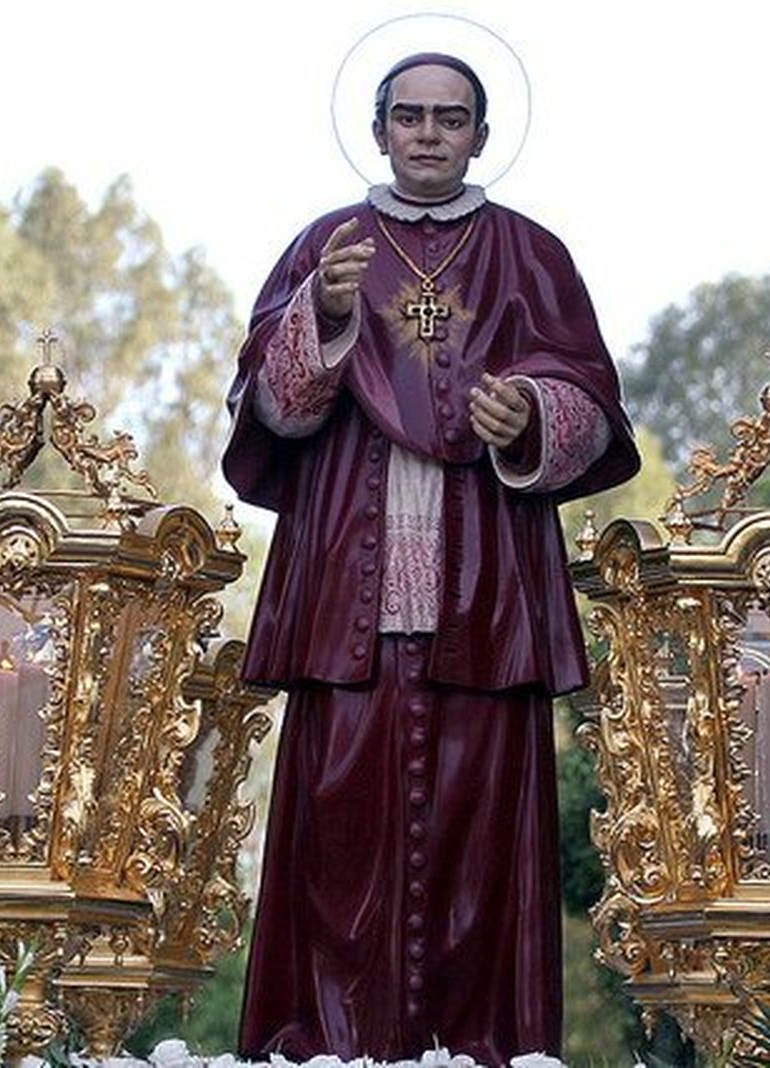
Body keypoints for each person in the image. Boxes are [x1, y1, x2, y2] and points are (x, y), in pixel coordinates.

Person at [222, 51, 639, 1066]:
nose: (426, 133)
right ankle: (318, 1045)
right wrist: (319, 317)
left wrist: (530, 412)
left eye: (449, 119)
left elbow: (589, 397)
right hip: (345, 601)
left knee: (480, 850)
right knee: (334, 838)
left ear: (480, 136)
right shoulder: (326, 249)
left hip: (483, 600)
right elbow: (264, 414)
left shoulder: (529, 254)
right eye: (407, 115)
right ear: (377, 129)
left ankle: (483, 1047)